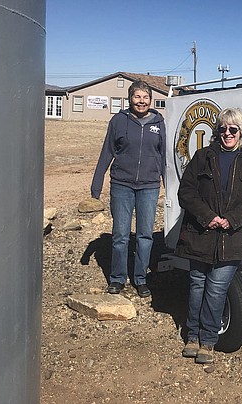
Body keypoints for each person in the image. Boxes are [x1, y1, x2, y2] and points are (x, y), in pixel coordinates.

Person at [176, 108, 242, 364]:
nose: (227, 133)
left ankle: (208, 340)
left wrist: (232, 219)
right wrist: (208, 216)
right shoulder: (203, 156)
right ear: (217, 131)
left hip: (234, 236)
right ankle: (192, 336)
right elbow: (186, 192)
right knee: (197, 285)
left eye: (233, 129)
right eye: (223, 129)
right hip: (201, 233)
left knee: (216, 289)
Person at [90, 81, 166, 298]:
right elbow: (107, 152)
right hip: (122, 185)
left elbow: (163, 157)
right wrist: (96, 185)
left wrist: (169, 185)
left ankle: (141, 279)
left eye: (145, 97)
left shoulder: (159, 123)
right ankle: (117, 278)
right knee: (121, 235)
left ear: (150, 100)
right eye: (137, 97)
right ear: (130, 99)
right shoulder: (118, 121)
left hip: (149, 187)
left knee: (145, 236)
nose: (141, 101)